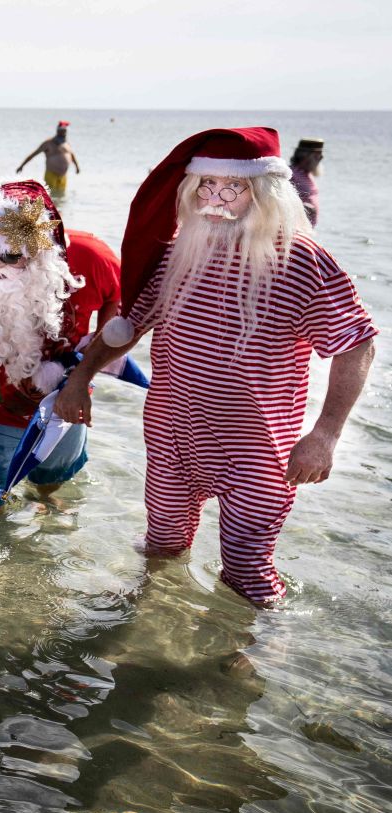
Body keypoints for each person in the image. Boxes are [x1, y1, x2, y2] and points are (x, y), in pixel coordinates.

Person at [56, 127, 377, 605]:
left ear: (264, 192)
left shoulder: (304, 262)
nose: (214, 200)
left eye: (231, 188)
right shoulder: (178, 252)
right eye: (204, 186)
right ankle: (148, 625)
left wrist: (326, 434)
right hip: (173, 432)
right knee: (161, 546)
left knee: (247, 571)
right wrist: (79, 378)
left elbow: (357, 343)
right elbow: (127, 325)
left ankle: (250, 659)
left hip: (256, 446)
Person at [0, 181, 120, 528]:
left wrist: (84, 377)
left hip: (64, 404)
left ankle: (42, 528)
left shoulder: (93, 259)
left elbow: (119, 320)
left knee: (50, 486)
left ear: (41, 249)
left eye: (11, 255)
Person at [16, 120, 80, 197]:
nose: (64, 132)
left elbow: (72, 155)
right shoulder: (48, 143)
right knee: (48, 195)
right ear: (58, 131)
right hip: (51, 174)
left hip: (63, 175)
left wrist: (77, 167)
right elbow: (33, 154)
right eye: (62, 131)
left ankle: (60, 208)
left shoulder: (66, 143)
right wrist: (22, 166)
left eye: (65, 131)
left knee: (61, 196)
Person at [289, 137, 324, 226]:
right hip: (296, 230)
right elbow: (282, 200)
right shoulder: (290, 174)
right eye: (317, 155)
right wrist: (302, 207)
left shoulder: (307, 174)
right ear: (305, 156)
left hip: (306, 230)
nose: (321, 158)